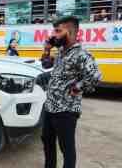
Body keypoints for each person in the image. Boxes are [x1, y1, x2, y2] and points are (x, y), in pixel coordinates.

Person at [41, 16, 101, 168]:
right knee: (47, 141)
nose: (53, 34)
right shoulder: (61, 51)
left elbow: (95, 76)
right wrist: (47, 51)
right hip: (50, 106)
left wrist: (77, 88)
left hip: (66, 110)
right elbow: (46, 64)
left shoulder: (81, 54)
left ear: (70, 32)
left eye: (58, 31)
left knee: (66, 149)